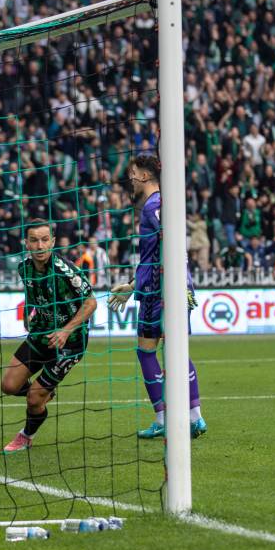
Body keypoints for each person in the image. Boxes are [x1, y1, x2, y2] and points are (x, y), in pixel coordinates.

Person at [108, 155, 206, 440]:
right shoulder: (167, 203)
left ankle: (164, 418)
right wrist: (132, 285)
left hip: (158, 292)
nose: (130, 179)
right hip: (175, 288)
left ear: (141, 175)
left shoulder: (153, 206)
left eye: (132, 173)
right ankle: (194, 417)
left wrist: (144, 288)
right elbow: (165, 251)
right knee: (177, 350)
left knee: (146, 351)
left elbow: (167, 250)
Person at [0, 219, 97, 454]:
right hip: (41, 333)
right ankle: (45, 391)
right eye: (34, 240)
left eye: (45, 240)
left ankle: (26, 436)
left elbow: (91, 302)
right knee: (9, 385)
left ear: (53, 242)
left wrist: (66, 330)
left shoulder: (66, 271)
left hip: (69, 343)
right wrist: (27, 311)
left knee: (34, 399)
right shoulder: (24, 267)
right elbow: (32, 291)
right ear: (27, 243)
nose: (40, 245)